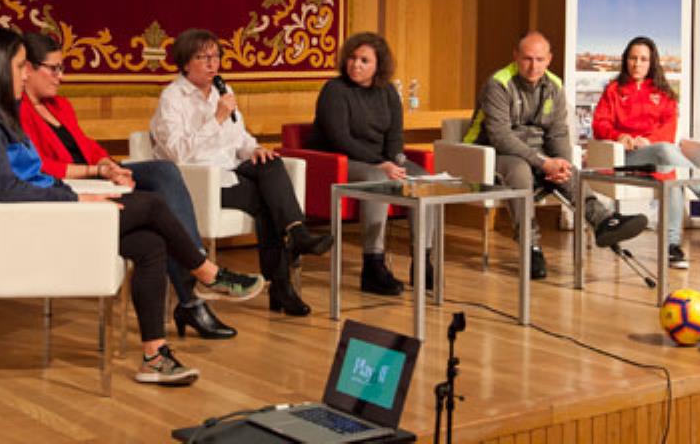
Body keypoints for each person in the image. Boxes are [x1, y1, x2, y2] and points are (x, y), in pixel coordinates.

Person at [0, 27, 260, 386]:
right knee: (153, 205)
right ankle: (207, 272)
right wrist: (77, 197)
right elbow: (7, 189)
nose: (24, 74)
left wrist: (98, 175)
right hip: (37, 223)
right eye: (20, 67)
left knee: (151, 245)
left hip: (51, 209)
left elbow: (36, 174)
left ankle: (154, 356)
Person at [18, 32, 242, 340]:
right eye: (54, 68)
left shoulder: (59, 105)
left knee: (163, 172)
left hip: (95, 173)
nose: (61, 76)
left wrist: (110, 165)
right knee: (156, 211)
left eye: (62, 67)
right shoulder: (16, 111)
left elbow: (86, 144)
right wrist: (95, 170)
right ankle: (197, 278)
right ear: (27, 69)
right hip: (69, 183)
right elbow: (39, 166)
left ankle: (196, 267)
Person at [150, 29, 332, 317]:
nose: (213, 64)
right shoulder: (172, 98)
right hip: (199, 180)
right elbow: (177, 153)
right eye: (203, 58)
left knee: (271, 162)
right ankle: (283, 281)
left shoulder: (224, 90)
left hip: (231, 168)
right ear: (185, 63)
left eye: (216, 57)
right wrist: (217, 118)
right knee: (267, 202)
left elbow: (239, 138)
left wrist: (255, 149)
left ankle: (296, 232)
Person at [466, 31, 648, 280]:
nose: (533, 66)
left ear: (549, 59)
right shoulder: (498, 84)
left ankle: (603, 221)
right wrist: (544, 162)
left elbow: (558, 134)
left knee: (566, 166)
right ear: (516, 56)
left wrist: (560, 164)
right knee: (519, 169)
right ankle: (531, 247)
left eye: (540, 59)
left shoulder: (554, 85)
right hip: (489, 154)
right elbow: (500, 137)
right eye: (527, 59)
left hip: (536, 153)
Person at [591, 36, 700, 269]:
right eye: (633, 58)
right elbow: (599, 124)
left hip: (657, 158)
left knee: (670, 171)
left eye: (643, 59)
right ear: (625, 60)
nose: (637, 64)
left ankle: (672, 247)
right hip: (626, 159)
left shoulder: (663, 92)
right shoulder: (613, 90)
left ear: (652, 62)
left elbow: (669, 130)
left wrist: (648, 141)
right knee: (667, 155)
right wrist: (620, 137)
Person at [306, 32, 437, 296]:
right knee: (378, 179)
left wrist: (397, 161)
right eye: (353, 58)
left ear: (379, 65)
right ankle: (373, 265)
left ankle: (423, 261)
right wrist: (381, 164)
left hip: (379, 161)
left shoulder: (388, 92)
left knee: (422, 180)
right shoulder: (335, 90)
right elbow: (339, 138)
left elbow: (395, 136)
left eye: (364, 60)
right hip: (338, 162)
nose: (356, 65)